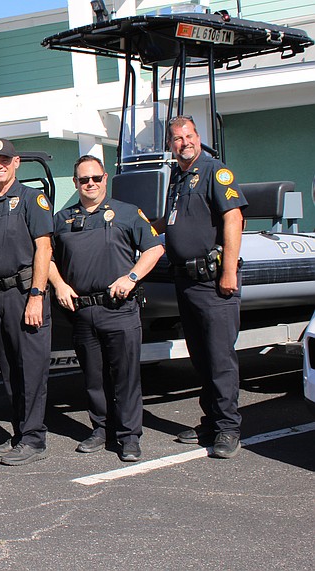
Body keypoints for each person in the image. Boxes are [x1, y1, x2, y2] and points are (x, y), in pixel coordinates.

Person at [48, 156, 164, 462]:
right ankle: (100, 429)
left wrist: (131, 277)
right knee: (93, 377)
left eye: (96, 178)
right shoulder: (62, 219)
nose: (90, 184)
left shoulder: (127, 213)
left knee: (125, 376)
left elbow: (154, 248)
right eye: (84, 179)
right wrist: (59, 285)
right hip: (82, 311)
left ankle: (129, 436)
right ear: (75, 183)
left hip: (119, 309)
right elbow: (46, 258)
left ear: (105, 178)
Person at [154, 116, 247, 459]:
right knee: (202, 357)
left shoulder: (214, 171)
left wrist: (228, 272)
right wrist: (140, 226)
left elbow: (234, 218)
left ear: (198, 137)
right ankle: (211, 422)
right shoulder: (178, 178)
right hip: (186, 281)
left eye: (190, 135)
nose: (185, 142)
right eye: (178, 138)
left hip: (212, 281)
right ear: (170, 144)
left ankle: (228, 429)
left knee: (220, 358)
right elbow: (172, 222)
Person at [0, 138, 53, 466]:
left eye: (4, 160)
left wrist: (37, 295)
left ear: (16, 162)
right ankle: (20, 432)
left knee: (30, 369)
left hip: (24, 293)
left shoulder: (32, 199)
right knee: (8, 370)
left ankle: (34, 438)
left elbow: (44, 248)